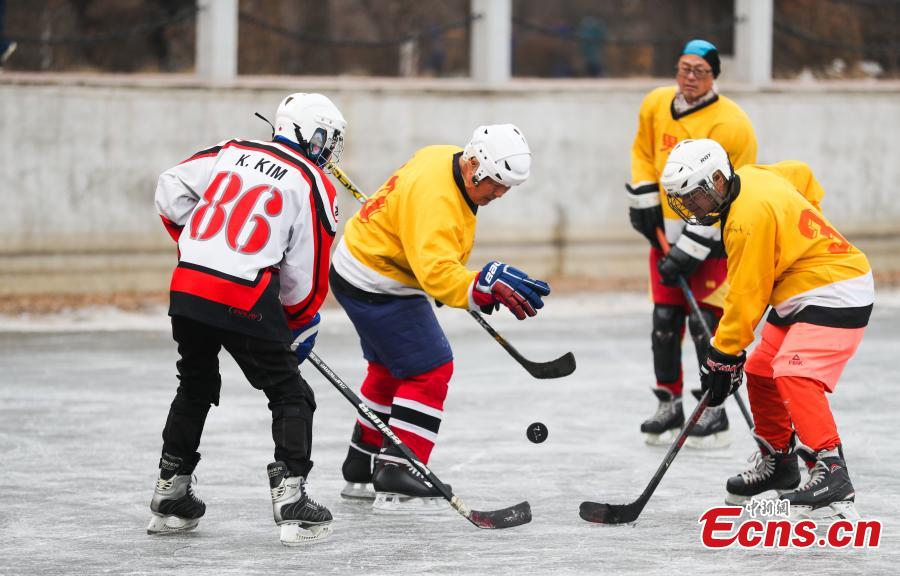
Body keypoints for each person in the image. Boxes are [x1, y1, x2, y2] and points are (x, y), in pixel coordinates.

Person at [149, 93, 346, 545]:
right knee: (290, 392)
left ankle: (170, 492)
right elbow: (306, 272)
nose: (329, 150)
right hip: (244, 295)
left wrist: (201, 245)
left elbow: (169, 188)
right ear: (307, 133)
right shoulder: (311, 180)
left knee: (194, 384)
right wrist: (298, 320)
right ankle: (292, 498)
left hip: (189, 288)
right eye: (326, 138)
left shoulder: (232, 148)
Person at [331, 124, 550, 512]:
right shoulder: (439, 203)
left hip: (361, 264)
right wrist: (475, 286)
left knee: (388, 369)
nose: (499, 194)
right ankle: (401, 465)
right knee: (431, 368)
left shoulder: (441, 154)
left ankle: (360, 464)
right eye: (496, 184)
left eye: (507, 187)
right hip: (379, 282)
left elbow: (420, 235)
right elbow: (435, 273)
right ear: (474, 165)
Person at [661, 138, 872, 520]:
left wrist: (722, 356)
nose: (690, 208)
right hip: (802, 289)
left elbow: (746, 297)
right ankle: (780, 462)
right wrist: (807, 230)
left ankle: (831, 468)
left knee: (793, 372)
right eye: (685, 202)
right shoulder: (754, 175)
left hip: (836, 288)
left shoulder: (745, 221)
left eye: (695, 198)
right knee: (760, 372)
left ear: (718, 180)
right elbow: (803, 176)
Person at [627, 39, 757, 448]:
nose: (689, 77)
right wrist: (644, 203)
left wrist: (692, 248)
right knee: (665, 323)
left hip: (712, 242)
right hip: (665, 236)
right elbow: (643, 153)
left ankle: (713, 409)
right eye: (684, 68)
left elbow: (737, 192)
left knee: (708, 326)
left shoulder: (731, 124)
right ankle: (669, 402)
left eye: (699, 71)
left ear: (714, 75)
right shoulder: (655, 104)